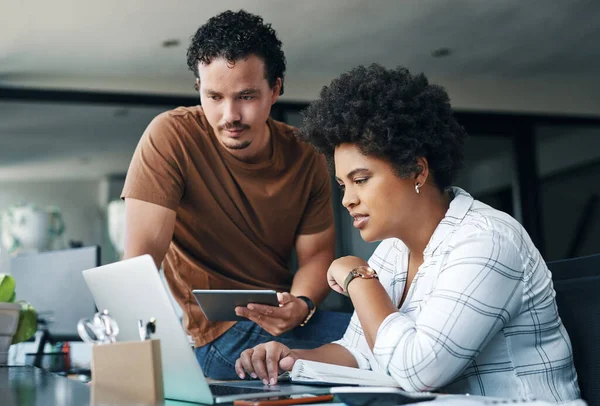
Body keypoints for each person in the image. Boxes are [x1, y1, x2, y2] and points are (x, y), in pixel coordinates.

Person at [235, 64, 581, 402]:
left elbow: (418, 372)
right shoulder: (394, 252)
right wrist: (290, 359)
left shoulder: (486, 241)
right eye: (343, 185)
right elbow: (361, 353)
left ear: (417, 170)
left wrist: (357, 275)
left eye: (361, 180)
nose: (348, 200)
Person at [121, 10, 350, 380]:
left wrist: (302, 304)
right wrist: (132, 368)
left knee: (384, 337)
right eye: (213, 96)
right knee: (384, 348)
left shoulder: (306, 156)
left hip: (283, 321)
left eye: (246, 96)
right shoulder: (171, 137)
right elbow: (139, 264)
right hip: (217, 336)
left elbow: (318, 256)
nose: (230, 115)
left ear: (275, 89)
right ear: (198, 88)